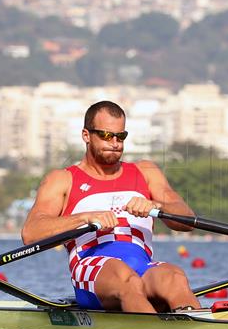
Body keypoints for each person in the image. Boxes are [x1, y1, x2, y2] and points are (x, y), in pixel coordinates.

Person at [21, 100, 202, 313]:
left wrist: (157, 205)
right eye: (106, 136)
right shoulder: (63, 179)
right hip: (91, 267)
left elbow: (186, 219)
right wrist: (85, 218)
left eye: (121, 136)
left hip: (142, 265)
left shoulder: (145, 172)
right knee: (125, 278)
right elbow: (31, 233)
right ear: (86, 135)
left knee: (174, 277)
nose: (115, 143)